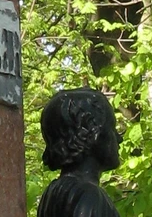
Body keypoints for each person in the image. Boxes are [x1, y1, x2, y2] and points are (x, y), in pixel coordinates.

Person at [35, 88, 123, 217]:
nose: (119, 138)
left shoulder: (54, 191)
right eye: (112, 128)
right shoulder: (89, 195)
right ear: (94, 134)